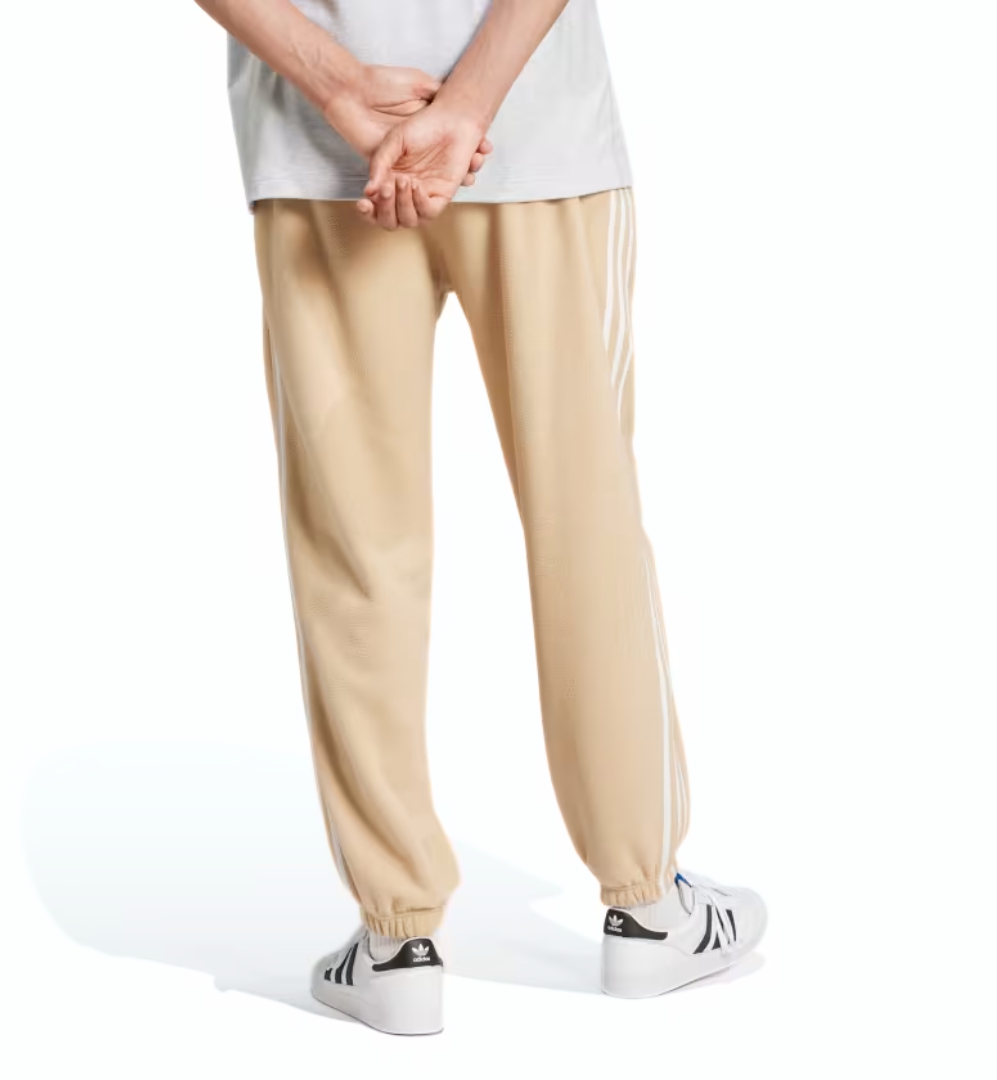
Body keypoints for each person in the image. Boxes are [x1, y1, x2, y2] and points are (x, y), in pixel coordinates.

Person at [193, 0, 766, 1035]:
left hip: (321, 149)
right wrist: (469, 104)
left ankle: (395, 942)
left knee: (355, 547)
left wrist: (337, 86)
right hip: (538, 135)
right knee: (586, 523)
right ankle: (647, 910)